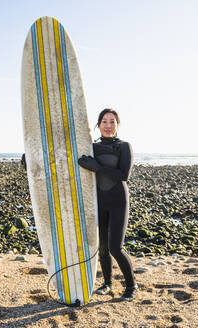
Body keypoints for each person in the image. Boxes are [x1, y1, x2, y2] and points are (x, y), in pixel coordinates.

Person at [78, 108, 137, 302]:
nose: (108, 125)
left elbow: (124, 175)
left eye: (112, 122)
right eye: (104, 121)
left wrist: (98, 168)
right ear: (98, 124)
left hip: (118, 200)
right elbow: (68, 157)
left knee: (115, 247)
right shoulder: (91, 147)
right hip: (99, 200)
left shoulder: (124, 147)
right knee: (102, 247)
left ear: (117, 125)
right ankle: (107, 284)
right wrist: (31, 158)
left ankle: (131, 286)